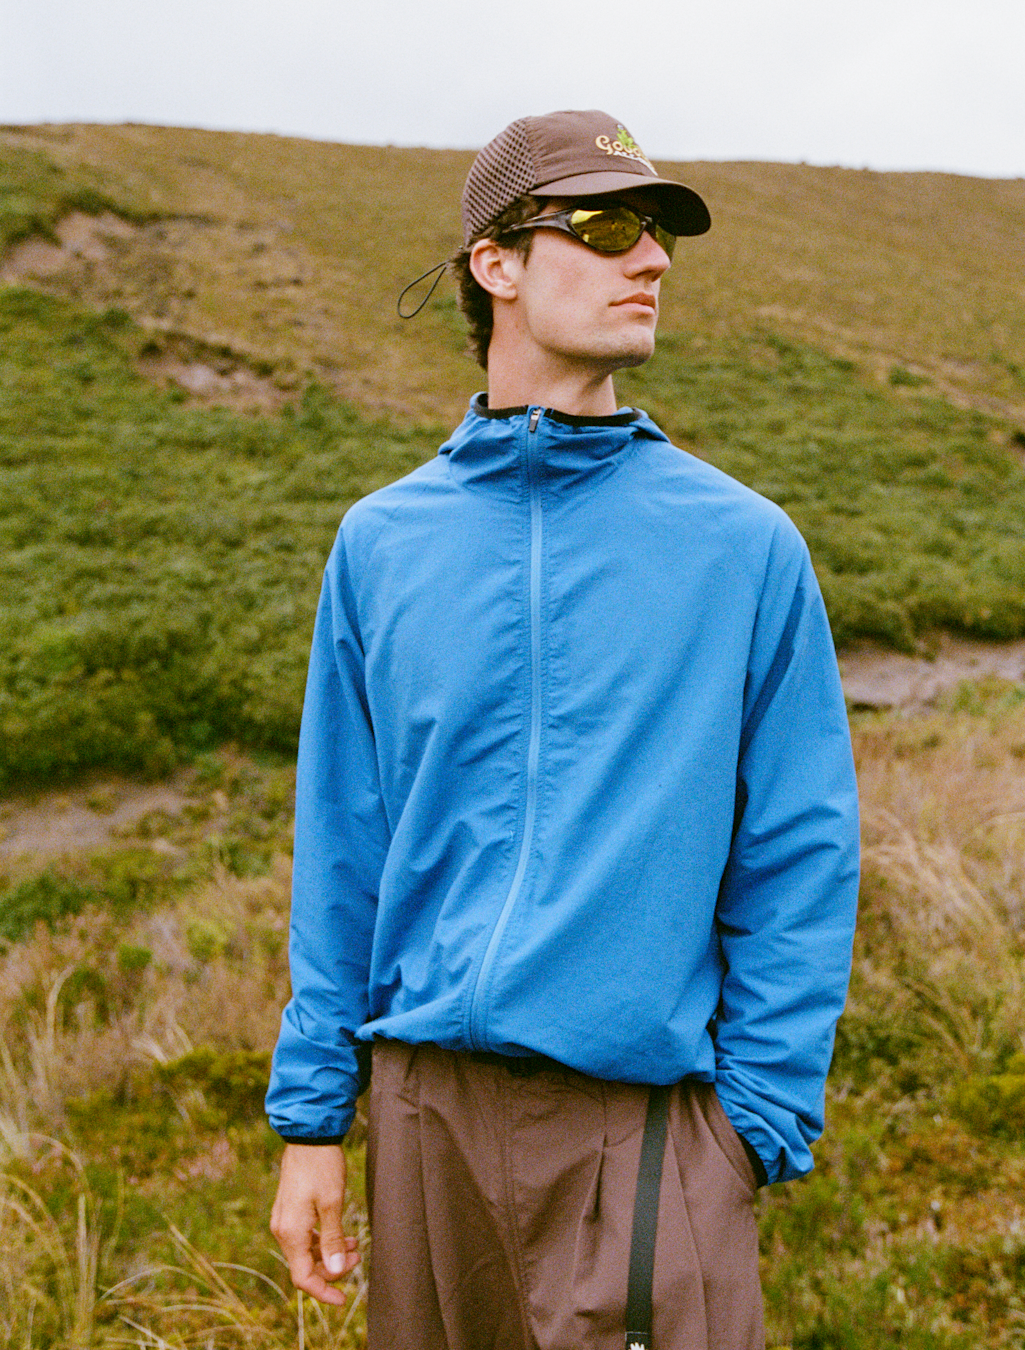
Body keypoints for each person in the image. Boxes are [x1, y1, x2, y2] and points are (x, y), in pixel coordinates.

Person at [266, 109, 860, 1350]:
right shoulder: (382, 544)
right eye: (604, 228)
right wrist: (314, 1125)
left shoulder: (744, 545)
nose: (651, 261)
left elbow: (802, 854)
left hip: (649, 1134)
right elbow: (342, 847)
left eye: (659, 237)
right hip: (422, 1125)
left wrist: (748, 1130)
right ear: (498, 264)